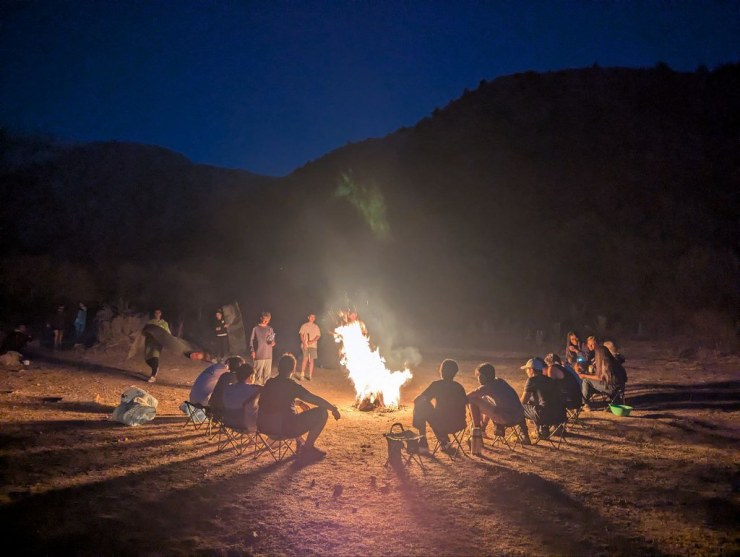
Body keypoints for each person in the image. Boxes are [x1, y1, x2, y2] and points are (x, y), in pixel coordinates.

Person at [258, 353, 341, 461]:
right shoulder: (292, 386)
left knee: (292, 410)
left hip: (264, 426)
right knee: (322, 413)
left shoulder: (269, 383)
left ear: (278, 367)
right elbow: (314, 399)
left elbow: (267, 402)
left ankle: (302, 444)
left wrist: (299, 403)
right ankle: (307, 448)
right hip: (284, 429)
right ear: (293, 369)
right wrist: (333, 408)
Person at [413, 359, 468, 454]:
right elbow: (465, 403)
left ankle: (423, 442)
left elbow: (418, 400)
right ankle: (444, 441)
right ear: (455, 373)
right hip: (459, 424)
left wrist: (425, 402)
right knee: (438, 414)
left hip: (442, 424)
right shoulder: (459, 387)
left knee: (420, 405)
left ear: (441, 371)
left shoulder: (437, 385)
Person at [467, 362, 531, 445]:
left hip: (506, 418)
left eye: (478, 376)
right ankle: (482, 429)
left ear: (483, 377)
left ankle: (477, 433)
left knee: (473, 400)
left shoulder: (488, 387)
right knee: (485, 399)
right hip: (519, 418)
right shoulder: (500, 381)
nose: (478, 378)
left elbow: (468, 396)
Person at [519, 357, 566, 439]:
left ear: (531, 370)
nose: (526, 372)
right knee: (538, 404)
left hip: (544, 416)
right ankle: (543, 430)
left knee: (519, 408)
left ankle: (524, 436)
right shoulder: (550, 380)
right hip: (560, 416)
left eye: (527, 369)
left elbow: (522, 402)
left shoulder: (532, 380)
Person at [578, 339, 627, 409]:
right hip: (620, 388)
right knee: (590, 381)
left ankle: (584, 404)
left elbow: (600, 377)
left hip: (612, 389)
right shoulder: (614, 360)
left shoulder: (606, 363)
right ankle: (616, 399)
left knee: (586, 381)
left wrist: (584, 375)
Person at [222, 363, 262, 429]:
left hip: (228, 421)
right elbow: (267, 390)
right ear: (251, 376)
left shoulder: (228, 387)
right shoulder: (253, 390)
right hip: (244, 424)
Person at [250, 311, 276, 384]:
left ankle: (266, 389)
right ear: (261, 318)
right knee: (258, 375)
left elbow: (272, 340)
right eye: (265, 319)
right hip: (259, 354)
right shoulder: (255, 328)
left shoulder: (270, 329)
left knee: (267, 377)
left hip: (268, 355)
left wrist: (273, 343)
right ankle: (256, 389)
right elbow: (251, 340)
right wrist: (252, 350)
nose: (266, 321)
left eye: (268, 320)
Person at [145, 308, 170, 383]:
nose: (157, 314)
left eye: (159, 313)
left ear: (161, 314)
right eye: (156, 313)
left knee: (155, 357)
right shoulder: (150, 322)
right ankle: (155, 368)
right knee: (148, 359)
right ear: (154, 314)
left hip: (158, 343)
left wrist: (169, 341)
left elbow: (168, 333)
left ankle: (153, 376)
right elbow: (145, 331)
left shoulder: (164, 323)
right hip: (149, 343)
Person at [297, 313, 321, 381]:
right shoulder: (304, 325)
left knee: (311, 360)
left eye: (314, 317)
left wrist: (312, 341)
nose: (312, 318)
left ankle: (310, 376)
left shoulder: (316, 326)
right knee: (305, 359)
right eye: (311, 317)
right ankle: (302, 375)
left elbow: (318, 336)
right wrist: (304, 343)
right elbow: (301, 335)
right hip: (305, 345)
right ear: (308, 317)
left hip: (313, 346)